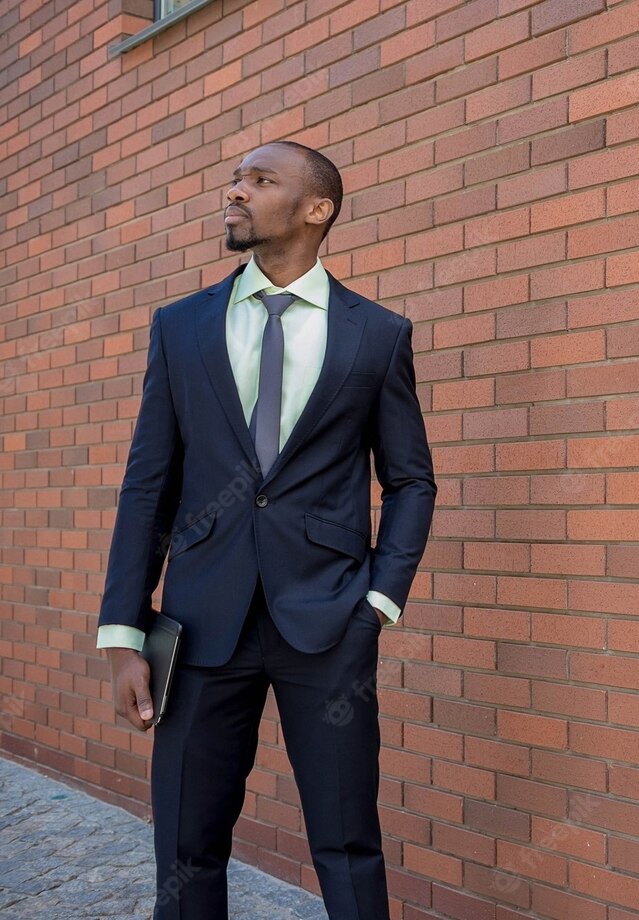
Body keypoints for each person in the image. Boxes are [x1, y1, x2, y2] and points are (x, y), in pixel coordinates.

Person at [97, 140, 436, 920]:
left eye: (260, 180)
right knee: (187, 845)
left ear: (317, 209)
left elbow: (411, 481)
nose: (235, 191)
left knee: (348, 843)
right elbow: (149, 481)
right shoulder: (181, 327)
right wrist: (123, 628)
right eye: (235, 179)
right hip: (199, 623)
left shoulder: (377, 335)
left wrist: (379, 603)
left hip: (329, 623)